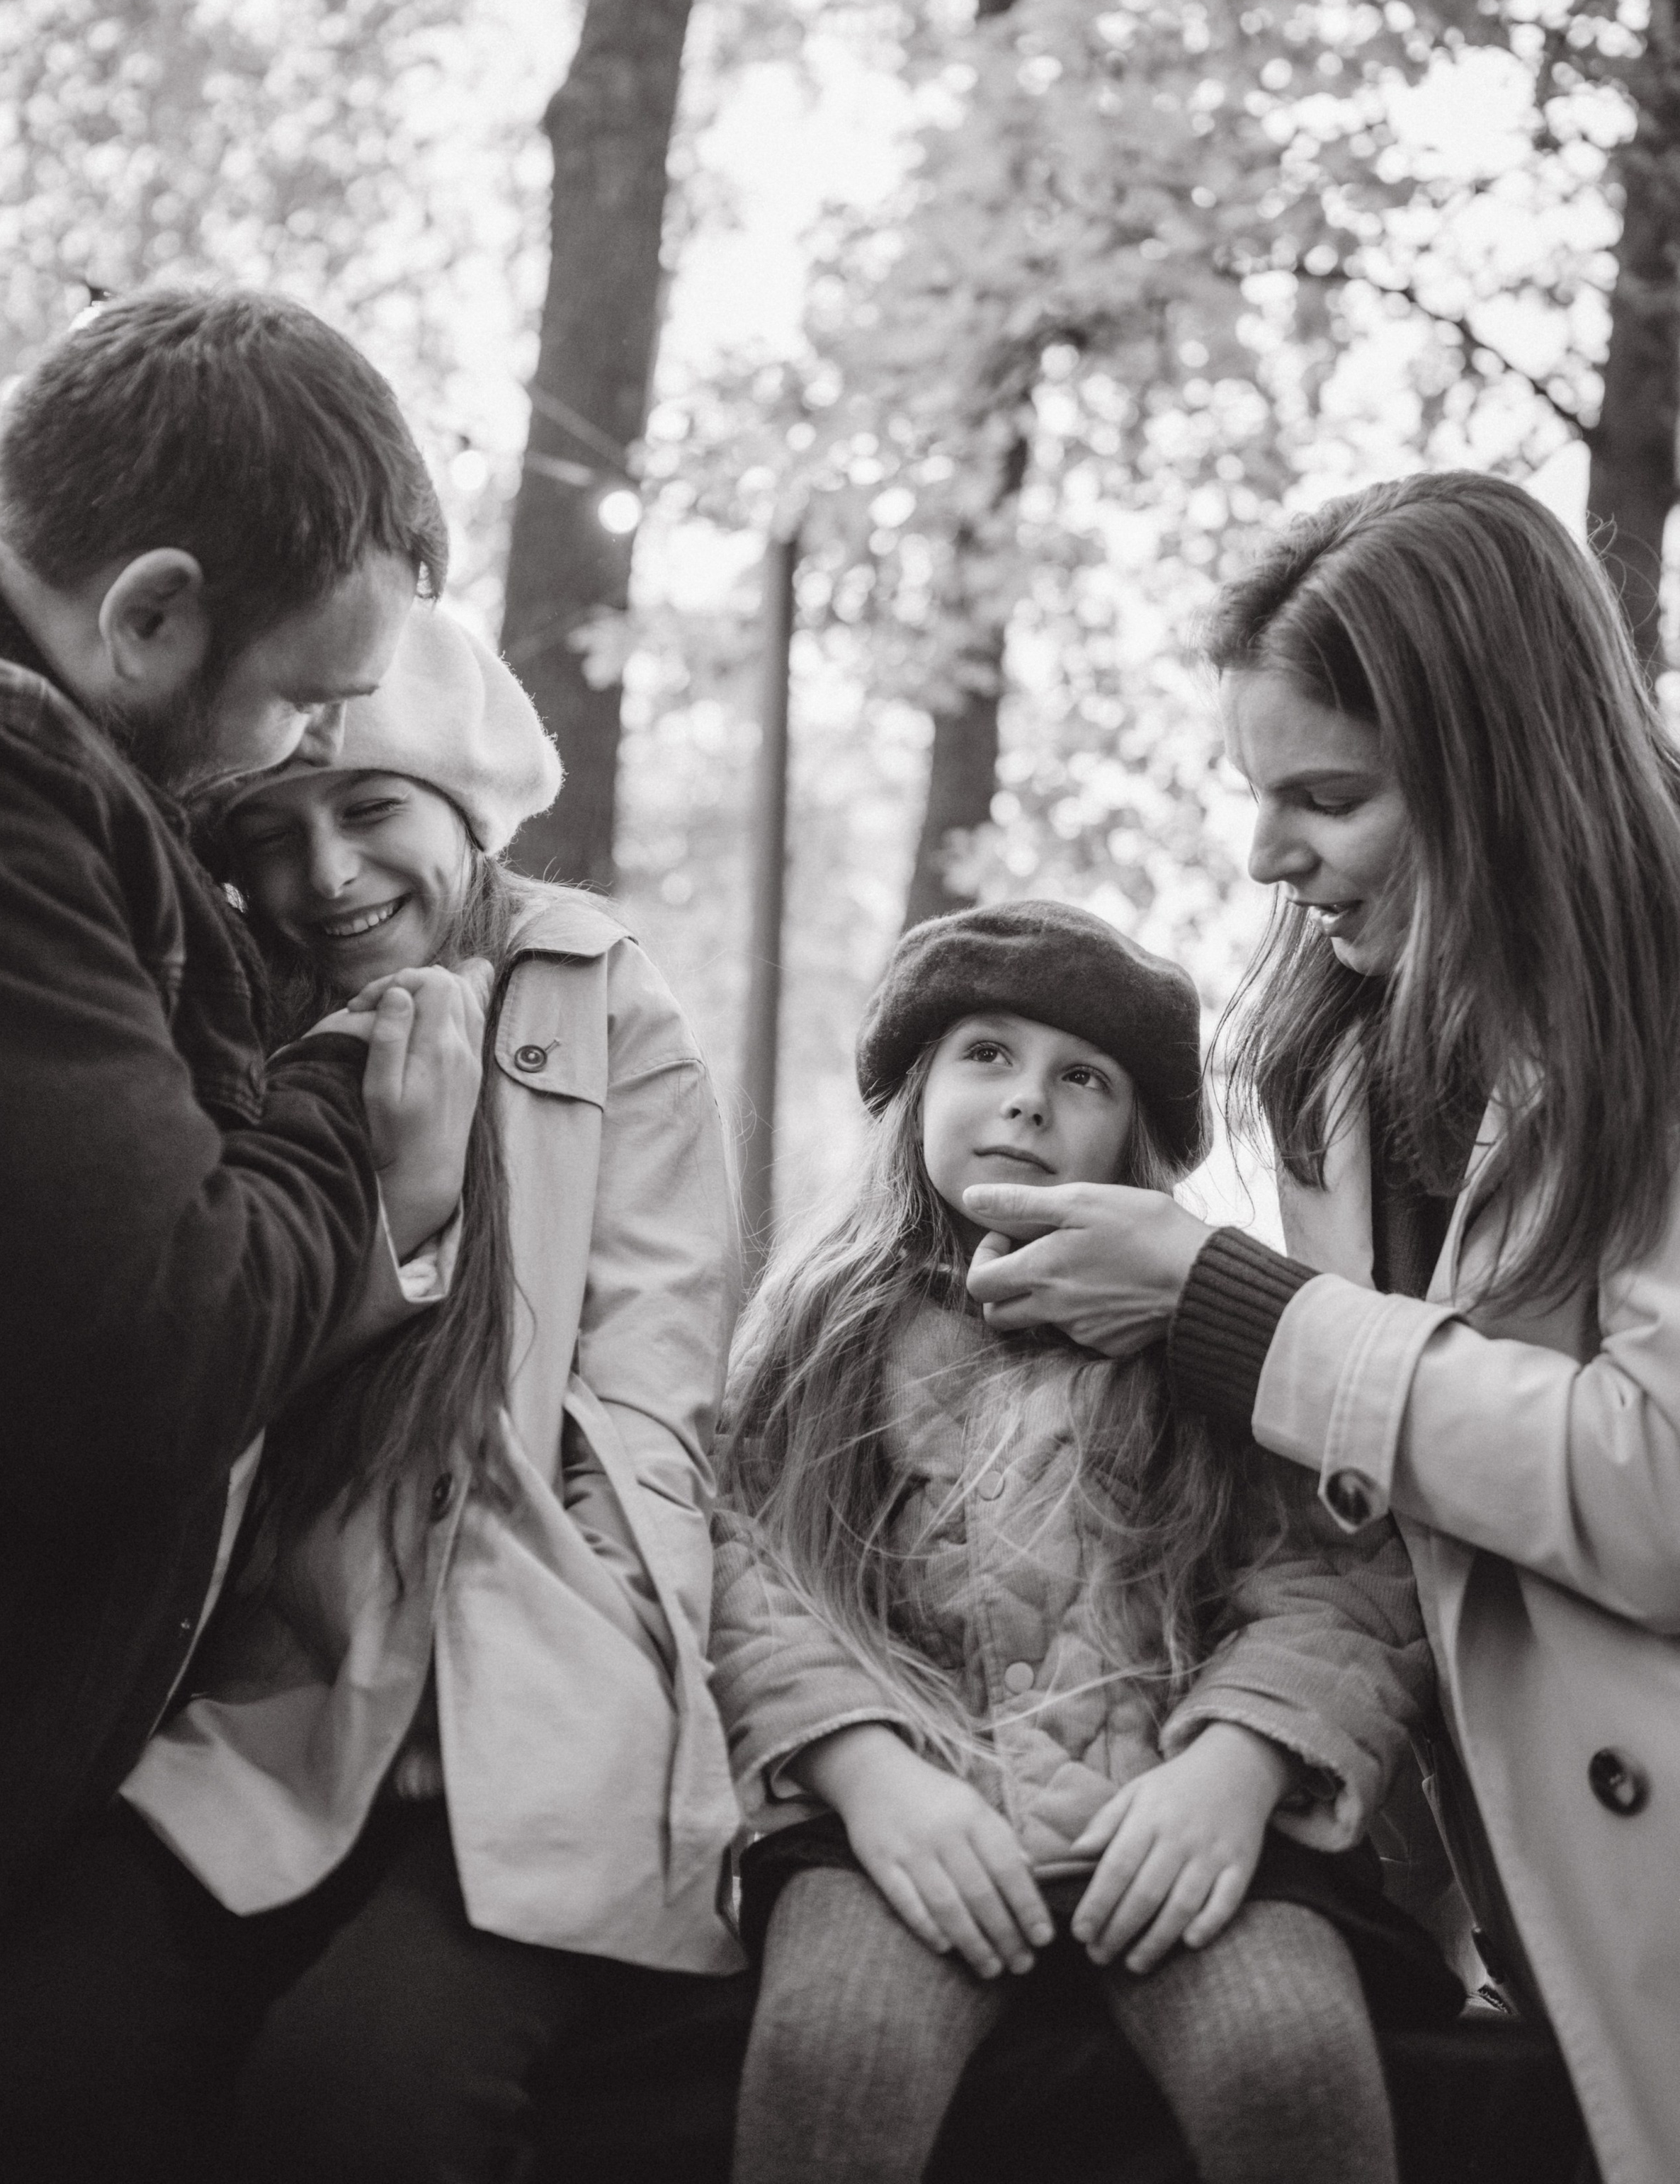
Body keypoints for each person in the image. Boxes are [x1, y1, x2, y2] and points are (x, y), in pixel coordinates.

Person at [0, 602, 746, 2184]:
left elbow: (653, 1388)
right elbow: (197, 1362)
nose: (326, 874)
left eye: (371, 809)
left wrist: (590, 1663)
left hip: (536, 1687)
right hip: (269, 1687)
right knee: (20, 2064)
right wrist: (384, 1222)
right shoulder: (214, 1010)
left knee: (365, 2092)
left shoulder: (597, 994)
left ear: (462, 807)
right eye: (274, 830)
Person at [962, 473, 1680, 2184]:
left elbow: (1650, 1486)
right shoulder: (1342, 1079)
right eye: (1257, 795)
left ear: (1498, 772)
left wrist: (1228, 1312)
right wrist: (1248, 1754)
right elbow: (1388, 1539)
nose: (1267, 853)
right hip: (1507, 1931)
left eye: (1329, 798)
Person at [0, 288, 482, 2145]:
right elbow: (147, 1354)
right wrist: (345, 1116)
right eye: (299, 697)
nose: (291, 752)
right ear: (147, 611)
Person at [712, 899, 1458, 2184]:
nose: (1028, 1100)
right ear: (914, 1085)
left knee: (1288, 2060)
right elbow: (745, 1568)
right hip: (901, 1825)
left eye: (1084, 1078)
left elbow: (1334, 1582)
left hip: (1176, 1825)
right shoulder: (820, 1326)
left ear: (1137, 1141)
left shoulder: (1213, 1329)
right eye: (986, 1055)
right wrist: (865, 1776)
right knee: (831, 2060)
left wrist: (1237, 1769)